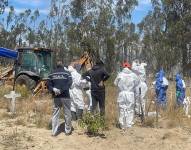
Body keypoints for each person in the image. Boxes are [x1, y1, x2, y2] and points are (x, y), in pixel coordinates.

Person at [47, 61, 72, 136]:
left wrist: (54, 89)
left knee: (55, 114)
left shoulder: (52, 73)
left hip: (56, 97)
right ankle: (67, 131)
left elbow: (48, 84)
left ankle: (54, 132)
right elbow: (70, 83)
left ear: (56, 66)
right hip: (65, 96)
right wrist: (62, 90)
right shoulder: (67, 73)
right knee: (67, 113)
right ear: (63, 65)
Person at [114, 62, 140, 129]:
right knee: (130, 109)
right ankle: (128, 124)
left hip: (122, 94)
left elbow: (115, 83)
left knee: (122, 108)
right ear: (129, 67)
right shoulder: (133, 75)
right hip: (130, 93)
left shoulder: (120, 74)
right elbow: (137, 83)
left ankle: (122, 124)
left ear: (123, 67)